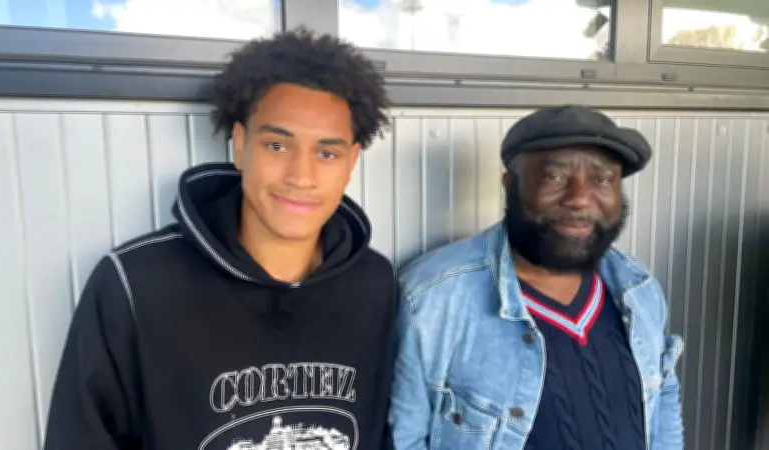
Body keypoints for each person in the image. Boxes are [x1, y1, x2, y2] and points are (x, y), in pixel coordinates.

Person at [43, 27, 398, 450]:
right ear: (240, 143)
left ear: (351, 161)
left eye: (326, 153)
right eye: (277, 145)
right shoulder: (135, 286)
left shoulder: (374, 284)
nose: (301, 177)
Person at [388, 105, 684, 450]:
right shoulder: (433, 297)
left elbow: (662, 398)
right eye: (554, 178)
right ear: (509, 185)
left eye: (602, 179)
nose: (579, 199)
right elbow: (403, 439)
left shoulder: (637, 286)